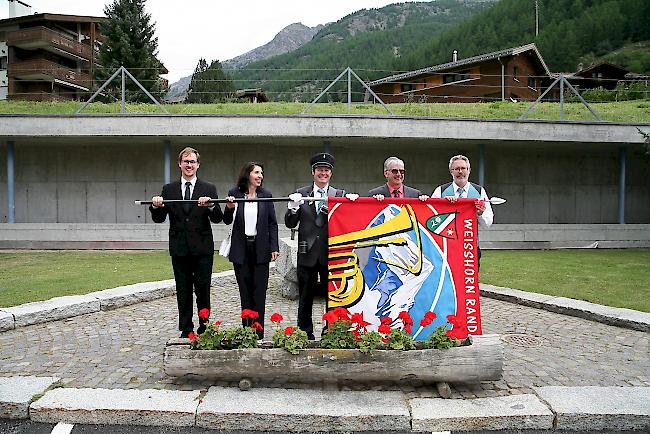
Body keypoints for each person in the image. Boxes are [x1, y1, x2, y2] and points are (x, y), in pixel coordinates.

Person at [149, 147, 223, 338]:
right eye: (186, 161)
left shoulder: (209, 188)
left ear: (198, 165)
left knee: (203, 288)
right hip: (179, 248)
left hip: (202, 248)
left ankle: (205, 326)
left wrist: (212, 205)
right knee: (183, 290)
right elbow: (159, 218)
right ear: (179, 164)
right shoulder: (169, 189)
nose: (189, 165)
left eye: (192, 162)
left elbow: (217, 218)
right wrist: (155, 206)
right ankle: (186, 328)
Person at [285, 152, 346, 340]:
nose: (323, 173)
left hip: (331, 251)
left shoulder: (339, 194)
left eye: (326, 170)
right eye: (320, 170)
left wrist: (349, 205)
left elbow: (345, 222)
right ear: (313, 172)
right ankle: (305, 332)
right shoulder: (301, 194)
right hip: (307, 251)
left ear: (331, 173)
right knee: (305, 297)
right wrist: (293, 208)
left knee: (333, 297)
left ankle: (332, 331)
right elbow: (289, 222)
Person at [224, 162, 279, 339]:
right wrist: (230, 208)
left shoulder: (266, 195)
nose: (260, 176)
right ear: (247, 174)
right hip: (241, 249)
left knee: (259, 291)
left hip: (260, 248)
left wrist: (274, 247)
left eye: (261, 173)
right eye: (257, 172)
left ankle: (259, 332)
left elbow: (272, 223)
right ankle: (247, 331)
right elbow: (226, 220)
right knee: (245, 291)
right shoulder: (235, 193)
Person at [431, 154, 493, 265]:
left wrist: (480, 214)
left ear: (469, 170)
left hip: (470, 248)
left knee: (469, 281)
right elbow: (431, 218)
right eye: (457, 169)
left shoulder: (479, 191)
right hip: (446, 248)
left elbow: (488, 223)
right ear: (451, 171)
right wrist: (443, 206)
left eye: (463, 168)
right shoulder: (440, 191)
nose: (460, 172)